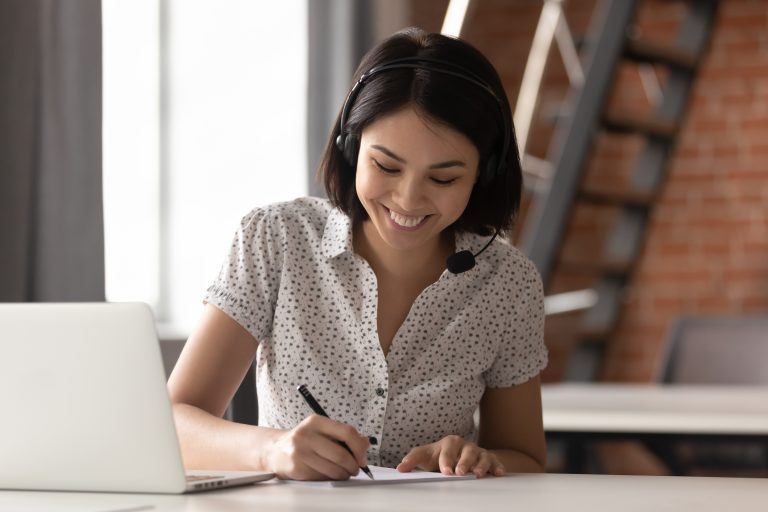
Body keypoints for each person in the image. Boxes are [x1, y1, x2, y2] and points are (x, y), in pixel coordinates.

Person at [168, 26, 548, 481]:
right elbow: (173, 422)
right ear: (351, 149)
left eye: (443, 178)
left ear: (484, 176)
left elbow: (525, 459)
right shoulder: (276, 239)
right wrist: (272, 450)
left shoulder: (508, 283)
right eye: (385, 166)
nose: (408, 199)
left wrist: (478, 460)